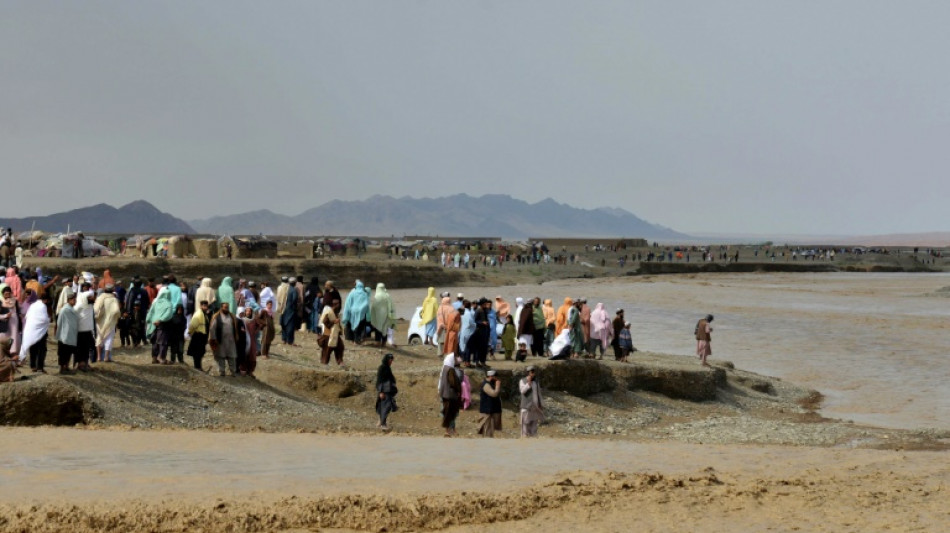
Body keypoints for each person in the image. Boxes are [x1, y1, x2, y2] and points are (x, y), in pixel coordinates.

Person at [19, 292, 50, 373]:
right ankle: (40, 367)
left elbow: (27, 316)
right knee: (42, 349)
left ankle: (33, 366)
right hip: (40, 331)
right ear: (46, 300)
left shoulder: (33, 305)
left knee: (33, 348)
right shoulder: (43, 306)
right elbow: (43, 319)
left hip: (31, 330)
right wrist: (48, 320)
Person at [209, 302, 239, 376]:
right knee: (221, 356)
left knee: (232, 356)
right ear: (221, 308)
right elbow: (212, 329)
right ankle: (222, 372)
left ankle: (233, 372)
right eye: (225, 307)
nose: (226, 309)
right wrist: (214, 339)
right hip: (220, 341)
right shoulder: (216, 317)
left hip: (231, 341)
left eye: (227, 307)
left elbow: (235, 327)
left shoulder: (232, 316)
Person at [146, 288, 175, 364]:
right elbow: (168, 314)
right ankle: (162, 358)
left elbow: (150, 312)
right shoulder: (169, 304)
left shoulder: (156, 302)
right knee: (163, 342)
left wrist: (148, 320)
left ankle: (154, 357)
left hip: (153, 325)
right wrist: (160, 320)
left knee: (155, 341)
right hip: (163, 325)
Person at [94, 284, 121, 362]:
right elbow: (116, 311)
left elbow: (95, 309)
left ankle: (99, 357)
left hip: (99, 321)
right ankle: (106, 357)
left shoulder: (99, 298)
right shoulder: (114, 299)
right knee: (109, 338)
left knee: (99, 337)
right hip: (110, 321)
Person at [438, 352, 461, 437]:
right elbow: (452, 382)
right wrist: (458, 389)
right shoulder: (450, 369)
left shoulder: (444, 368)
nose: (455, 360)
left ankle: (450, 430)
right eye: (454, 358)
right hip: (450, 394)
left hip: (444, 394)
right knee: (449, 413)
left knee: (448, 413)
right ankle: (448, 431)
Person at [55, 290, 79, 374]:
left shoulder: (71, 309)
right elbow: (60, 322)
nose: (74, 301)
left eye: (75, 299)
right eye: (73, 299)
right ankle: (62, 368)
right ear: (69, 300)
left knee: (68, 352)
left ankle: (66, 366)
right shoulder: (65, 310)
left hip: (70, 334)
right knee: (64, 353)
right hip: (65, 334)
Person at [342, 280, 371, 344]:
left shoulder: (352, 293)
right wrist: (362, 310)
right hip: (361, 313)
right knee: (359, 327)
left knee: (352, 325)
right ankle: (357, 340)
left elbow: (348, 303)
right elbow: (367, 304)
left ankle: (353, 340)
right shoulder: (364, 294)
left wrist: (347, 313)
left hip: (352, 312)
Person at [519, 365, 544, 437]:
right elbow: (522, 391)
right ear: (528, 373)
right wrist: (528, 384)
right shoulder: (522, 381)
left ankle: (533, 439)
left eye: (534, 372)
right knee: (525, 425)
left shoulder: (536, 382)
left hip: (535, 407)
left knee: (534, 426)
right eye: (532, 372)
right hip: (526, 407)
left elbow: (538, 393)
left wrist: (540, 404)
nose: (533, 373)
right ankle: (524, 440)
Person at [319, 298, 345, 367]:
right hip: (329, 334)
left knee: (340, 347)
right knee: (327, 349)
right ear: (335, 305)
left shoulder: (335, 312)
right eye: (338, 304)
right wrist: (333, 322)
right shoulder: (329, 312)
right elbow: (324, 321)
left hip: (335, 333)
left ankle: (340, 362)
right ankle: (324, 363)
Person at [477, 370, 503, 437]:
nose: (496, 378)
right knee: (487, 432)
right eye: (495, 377)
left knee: (490, 431)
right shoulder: (486, 385)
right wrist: (497, 386)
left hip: (492, 411)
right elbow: (493, 394)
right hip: (487, 412)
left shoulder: (491, 383)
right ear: (491, 376)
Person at [375, 353, 397, 431]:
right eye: (390, 360)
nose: (391, 361)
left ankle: (380, 422)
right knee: (385, 407)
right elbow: (379, 380)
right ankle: (383, 424)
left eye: (392, 360)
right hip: (384, 391)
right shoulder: (382, 368)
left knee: (384, 407)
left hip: (388, 391)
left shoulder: (388, 368)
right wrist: (381, 392)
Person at [187, 300, 211, 370]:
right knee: (197, 353)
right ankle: (197, 367)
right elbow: (193, 324)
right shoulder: (199, 314)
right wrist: (190, 332)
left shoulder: (204, 314)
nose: (205, 307)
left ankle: (198, 366)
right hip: (198, 335)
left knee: (200, 352)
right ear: (201, 306)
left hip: (203, 336)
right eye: (204, 306)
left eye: (206, 306)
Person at [370, 283, 395, 347]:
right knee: (384, 328)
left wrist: (372, 315)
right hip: (386, 315)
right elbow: (391, 305)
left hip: (378, 315)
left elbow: (374, 306)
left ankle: (378, 342)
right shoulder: (387, 295)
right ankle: (384, 342)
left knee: (378, 328)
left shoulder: (377, 296)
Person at [281, 278, 300, 346]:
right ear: (294, 283)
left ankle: (284, 339)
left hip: (283, 309)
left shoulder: (285, 289)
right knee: (290, 326)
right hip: (291, 310)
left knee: (284, 324)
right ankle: (290, 341)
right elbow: (294, 300)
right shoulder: (294, 290)